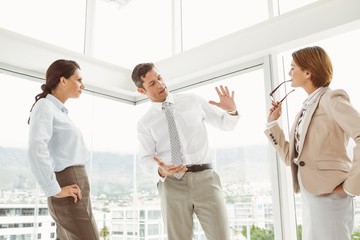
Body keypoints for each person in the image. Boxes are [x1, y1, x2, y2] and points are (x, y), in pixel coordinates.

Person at [131, 62, 240, 240]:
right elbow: (145, 159)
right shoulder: (145, 123)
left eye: (159, 78)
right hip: (172, 184)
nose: (160, 84)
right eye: (152, 83)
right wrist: (160, 170)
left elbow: (225, 124)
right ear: (142, 91)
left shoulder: (192, 101)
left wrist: (232, 111)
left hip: (206, 180)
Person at [265, 46, 360, 240]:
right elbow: (291, 157)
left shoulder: (331, 98)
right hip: (311, 194)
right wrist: (273, 123)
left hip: (331, 194)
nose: (289, 72)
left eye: (293, 67)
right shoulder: (305, 108)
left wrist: (351, 185)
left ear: (308, 72)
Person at [27, 59, 100, 240]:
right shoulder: (45, 106)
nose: (83, 85)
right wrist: (55, 189)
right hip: (67, 182)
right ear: (63, 80)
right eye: (79, 80)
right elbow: (36, 147)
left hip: (76, 182)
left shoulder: (59, 111)